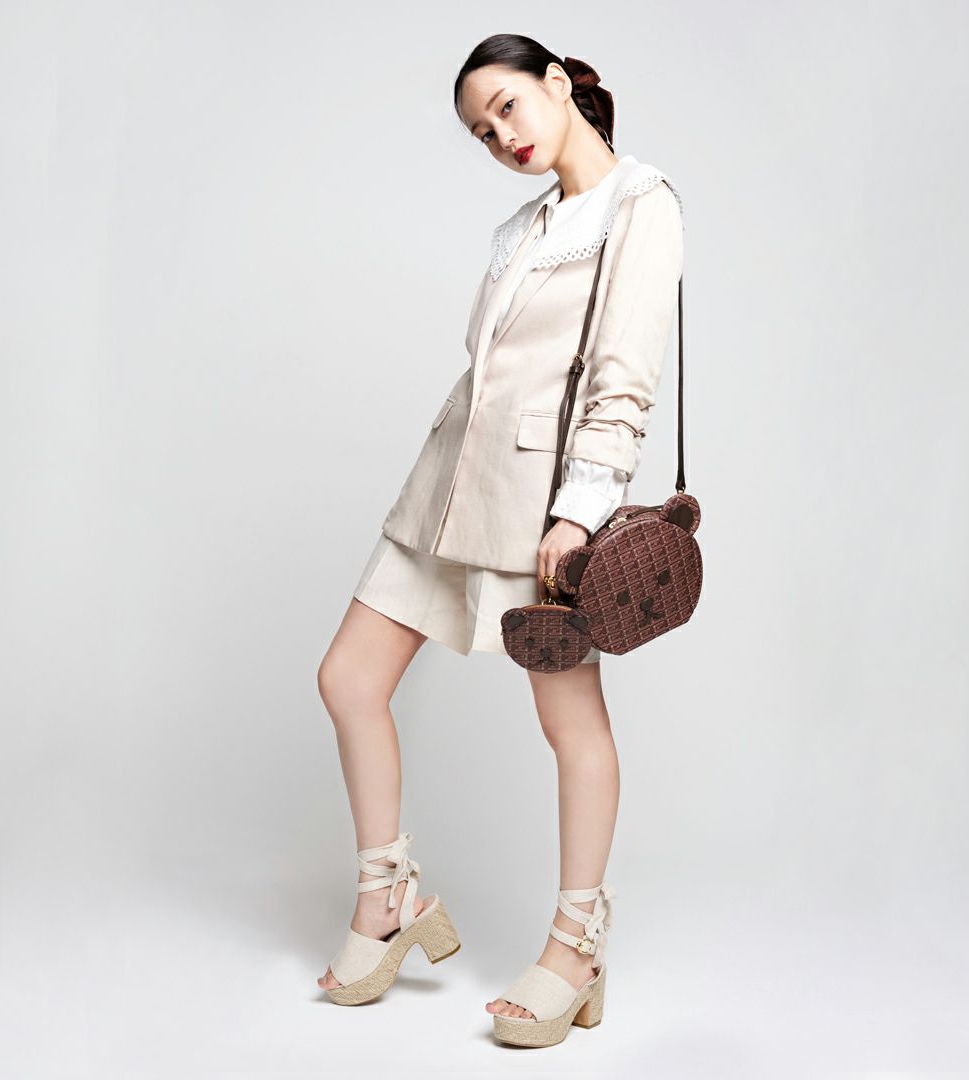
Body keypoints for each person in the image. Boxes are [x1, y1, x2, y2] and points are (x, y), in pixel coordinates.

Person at [315, 32, 684, 1048]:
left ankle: (576, 947)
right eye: (482, 132)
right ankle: (388, 901)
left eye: (509, 106)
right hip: (441, 490)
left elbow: (623, 377)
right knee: (348, 679)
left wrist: (581, 508)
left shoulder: (642, 206)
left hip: (539, 509)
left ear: (558, 84)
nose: (502, 137)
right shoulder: (523, 227)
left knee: (571, 726)